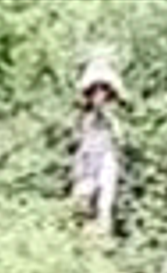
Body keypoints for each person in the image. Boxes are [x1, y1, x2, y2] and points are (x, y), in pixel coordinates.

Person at [68, 51, 128, 238]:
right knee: (82, 201)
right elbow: (77, 141)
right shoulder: (83, 117)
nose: (99, 94)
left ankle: (102, 238)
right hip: (87, 161)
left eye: (103, 89)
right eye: (96, 90)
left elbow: (120, 138)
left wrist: (109, 117)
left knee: (104, 206)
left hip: (106, 159)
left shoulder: (113, 118)